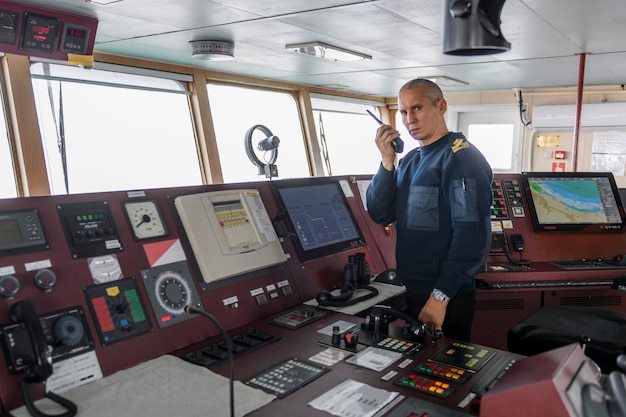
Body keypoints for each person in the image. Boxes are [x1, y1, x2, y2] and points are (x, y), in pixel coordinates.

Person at [366, 78, 493, 342]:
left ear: (441, 106)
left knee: (447, 376)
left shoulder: (461, 160)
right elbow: (380, 213)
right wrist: (387, 162)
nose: (409, 119)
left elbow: (471, 238)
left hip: (446, 297)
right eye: (403, 111)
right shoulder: (411, 160)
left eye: (417, 108)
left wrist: (439, 298)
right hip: (410, 291)